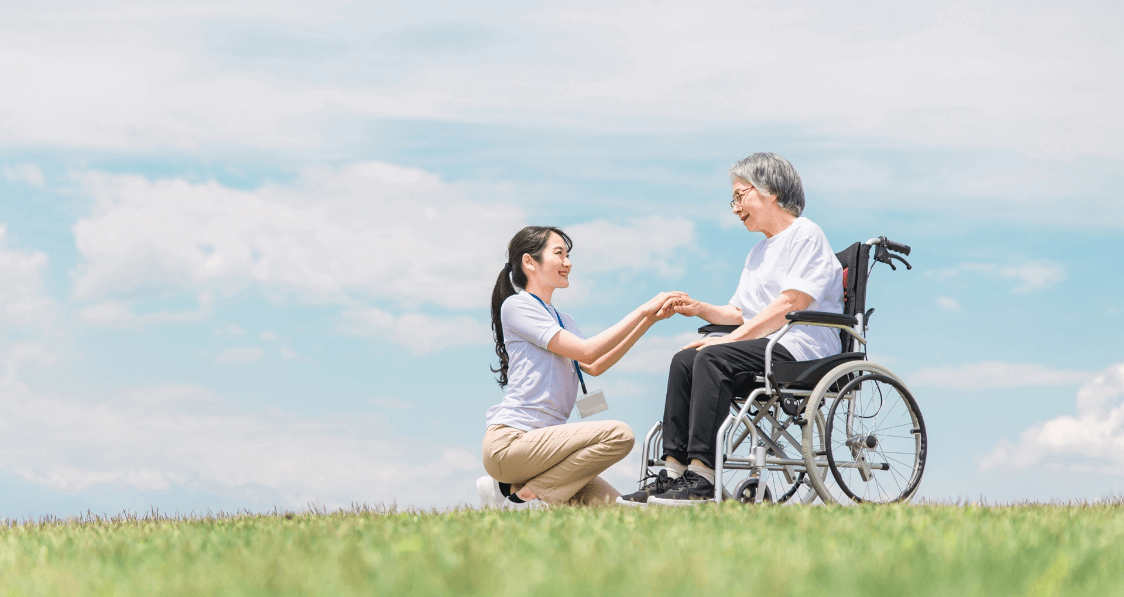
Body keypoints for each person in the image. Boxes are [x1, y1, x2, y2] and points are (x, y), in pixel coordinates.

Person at [618, 152, 844, 507]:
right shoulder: (757, 252)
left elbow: (791, 303)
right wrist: (699, 309)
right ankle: (673, 473)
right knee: (685, 359)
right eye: (733, 199)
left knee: (711, 356)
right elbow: (740, 311)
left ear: (770, 191)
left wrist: (731, 340)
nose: (736, 207)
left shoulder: (806, 234)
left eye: (741, 195)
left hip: (802, 347)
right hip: (765, 345)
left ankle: (703, 476)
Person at [477, 226, 683, 507]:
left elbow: (594, 364)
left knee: (621, 510)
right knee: (620, 435)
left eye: (568, 255)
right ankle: (525, 496)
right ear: (529, 262)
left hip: (549, 454)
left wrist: (648, 321)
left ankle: (512, 490)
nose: (568, 263)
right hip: (512, 443)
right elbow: (588, 349)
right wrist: (642, 310)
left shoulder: (564, 320)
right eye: (559, 253)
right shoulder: (517, 306)